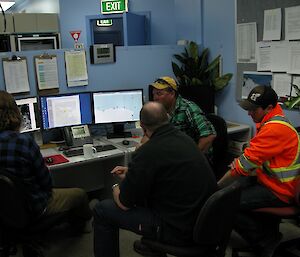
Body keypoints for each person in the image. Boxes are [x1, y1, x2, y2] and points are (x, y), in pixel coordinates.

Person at [93, 101, 217, 257]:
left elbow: (124, 204)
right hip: (203, 222)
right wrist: (133, 173)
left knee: (102, 209)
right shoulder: (184, 139)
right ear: (167, 117)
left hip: (178, 230)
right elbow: (167, 172)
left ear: (142, 126)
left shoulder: (147, 152)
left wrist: (115, 186)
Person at [218, 85, 300, 257]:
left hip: (280, 190)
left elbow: (243, 166)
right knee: (231, 191)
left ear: (269, 108)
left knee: (224, 203)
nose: (249, 114)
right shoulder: (273, 120)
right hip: (269, 180)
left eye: (253, 110)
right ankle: (266, 231)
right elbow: (254, 159)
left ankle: (266, 241)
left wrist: (216, 187)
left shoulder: (274, 129)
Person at [0, 91, 92, 230]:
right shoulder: (24, 142)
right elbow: (47, 184)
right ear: (14, 113)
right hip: (34, 206)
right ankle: (81, 228)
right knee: (80, 194)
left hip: (4, 210)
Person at [148, 76, 216, 157]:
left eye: (159, 94)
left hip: (193, 159)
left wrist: (192, 159)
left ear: (172, 94)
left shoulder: (188, 108)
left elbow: (209, 136)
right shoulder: (161, 110)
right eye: (154, 94)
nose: (155, 98)